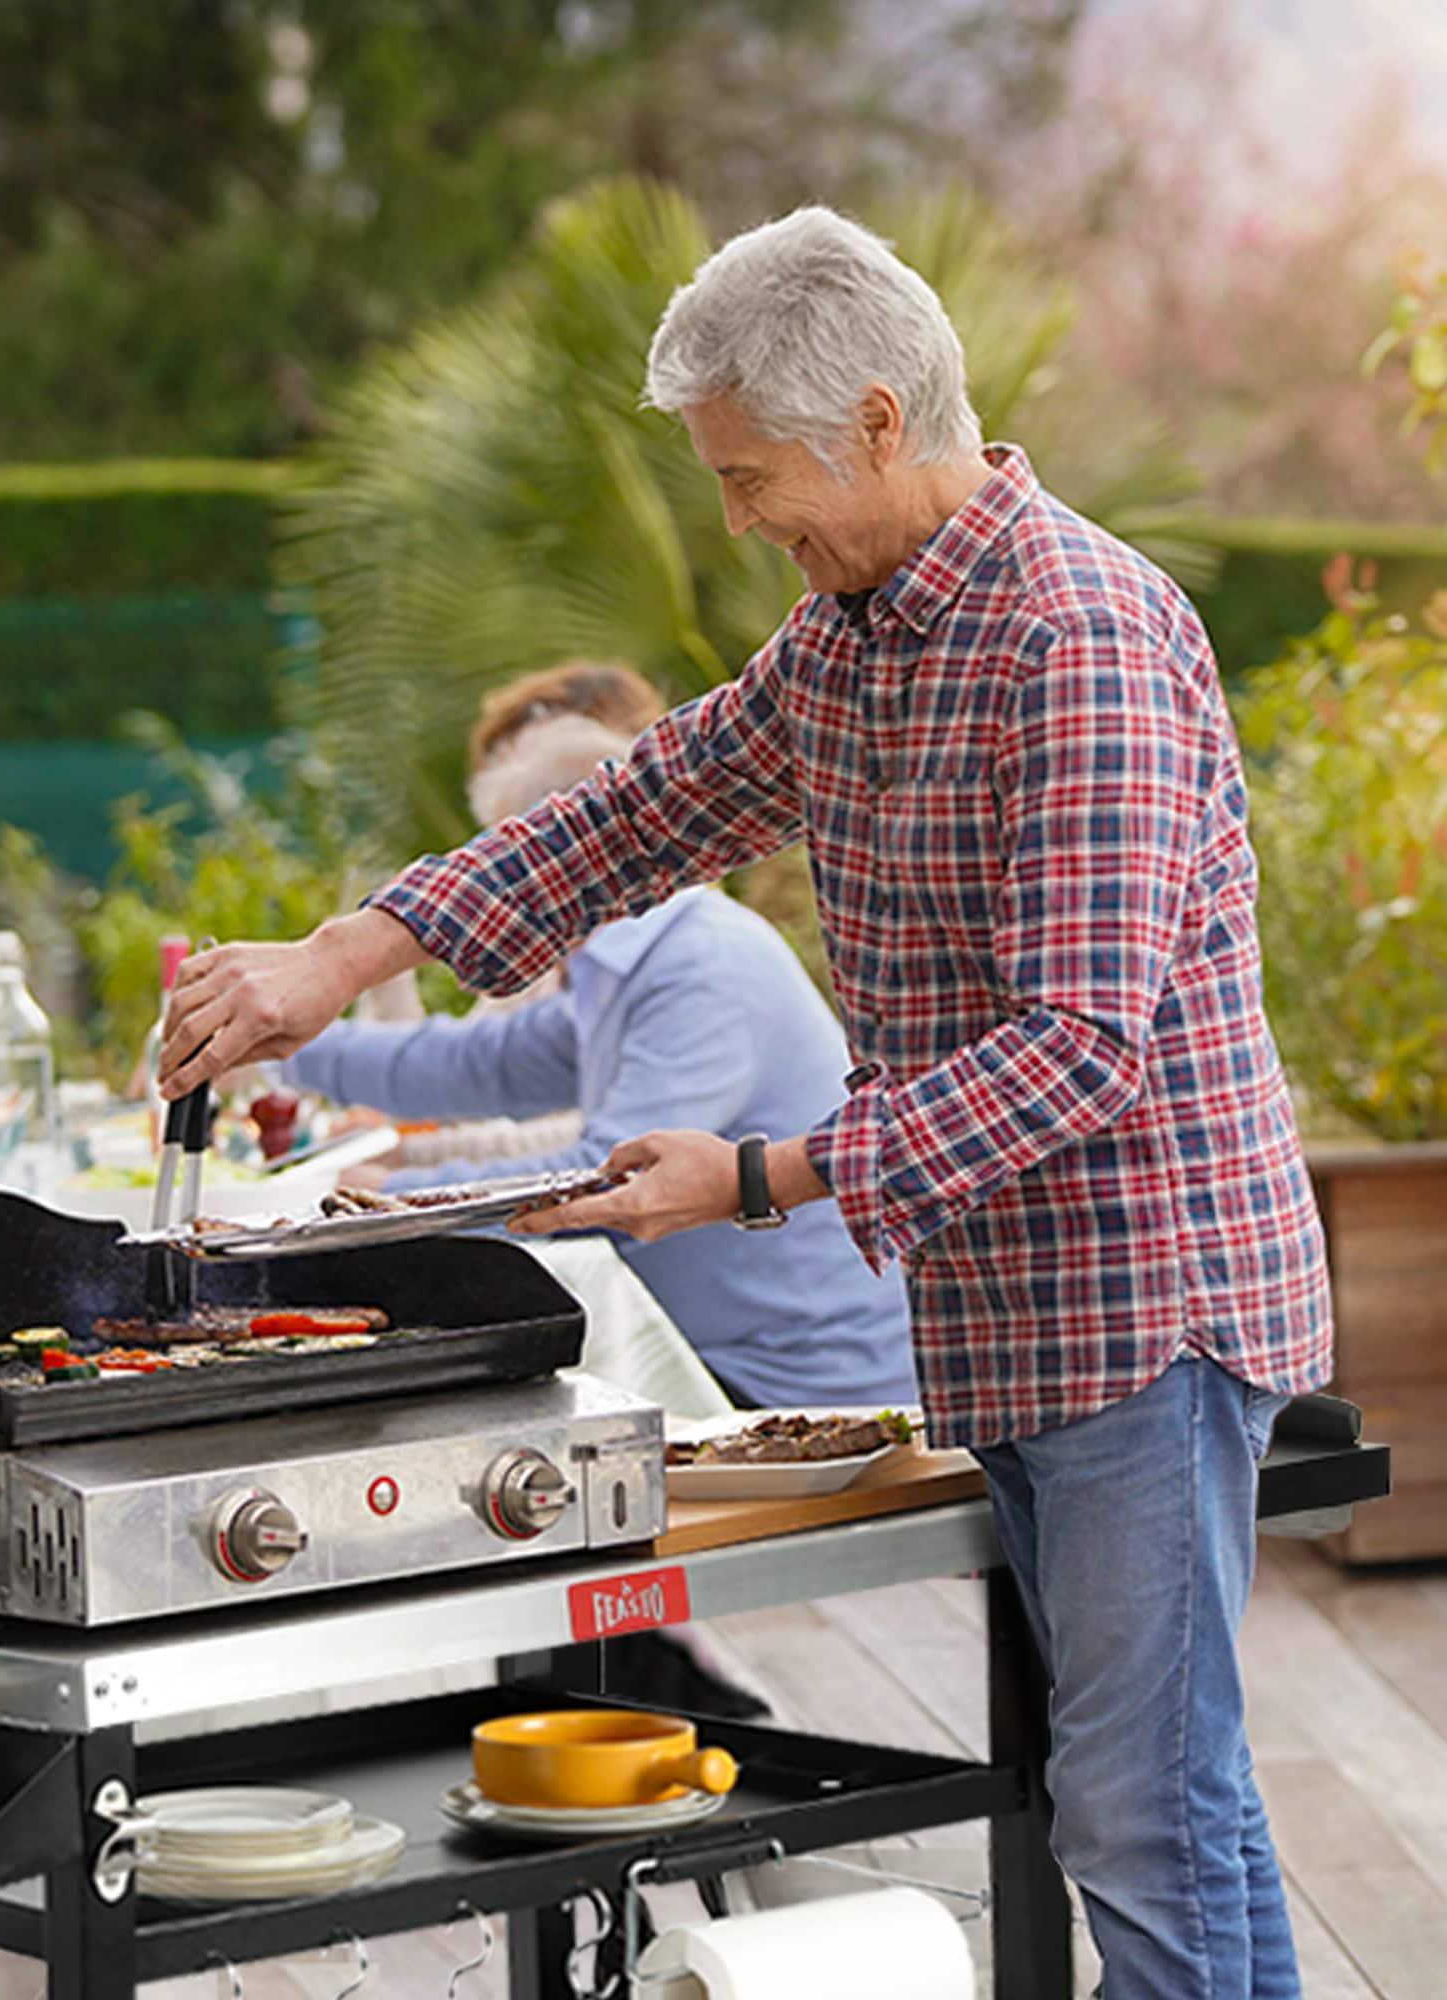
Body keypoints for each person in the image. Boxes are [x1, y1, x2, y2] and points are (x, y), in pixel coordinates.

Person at [159, 207, 1333, 1997]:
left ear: (874, 419)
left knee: (1138, 1810)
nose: (736, 520)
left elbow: (1080, 1047)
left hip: (1142, 1302)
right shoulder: (853, 637)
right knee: (1164, 1796)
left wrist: (760, 1176)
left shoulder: (1076, 636)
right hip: (1010, 1312)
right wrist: (335, 957)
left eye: (749, 472)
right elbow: (633, 811)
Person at [281, 660, 915, 1412]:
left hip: (795, 1385)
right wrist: (284, 1042)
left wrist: (387, 1200)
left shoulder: (701, 966)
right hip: (709, 1357)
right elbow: (473, 1065)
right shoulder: (621, 968)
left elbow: (607, 1183)